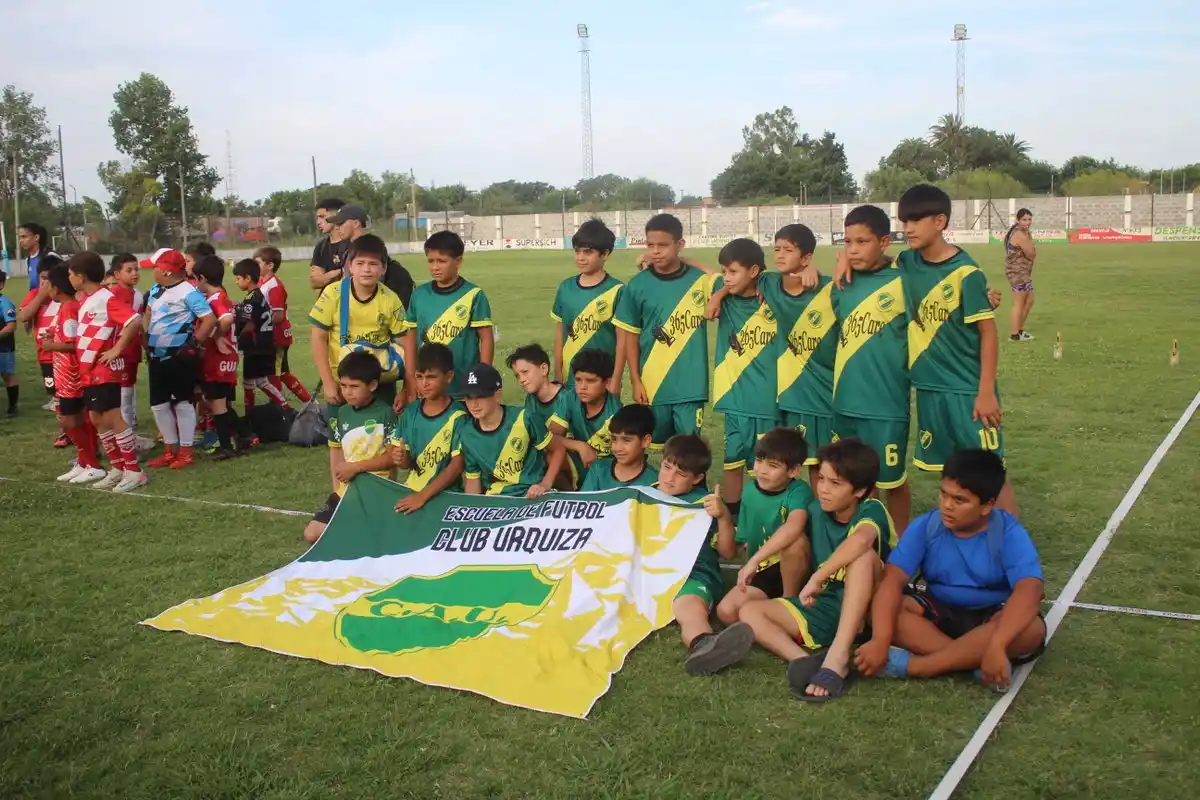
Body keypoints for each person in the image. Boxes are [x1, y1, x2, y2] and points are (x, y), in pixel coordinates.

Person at [855, 449, 1045, 692]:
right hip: (939, 610)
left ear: (987, 506)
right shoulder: (927, 525)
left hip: (991, 615)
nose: (946, 505)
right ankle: (972, 661)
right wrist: (880, 640)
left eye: (959, 500)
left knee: (1032, 630)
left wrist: (998, 645)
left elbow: (1030, 589)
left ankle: (919, 666)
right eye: (943, 494)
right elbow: (892, 579)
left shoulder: (1008, 532)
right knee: (880, 606)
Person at [726, 438, 897, 701]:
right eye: (822, 479)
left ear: (860, 491)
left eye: (836, 483)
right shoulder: (817, 510)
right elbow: (791, 531)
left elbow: (861, 540)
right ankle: (806, 661)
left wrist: (818, 576)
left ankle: (837, 658)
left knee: (862, 558)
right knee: (747, 610)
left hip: (869, 609)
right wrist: (754, 560)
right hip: (826, 604)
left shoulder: (871, 509)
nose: (824, 489)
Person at [894, 184, 1014, 514]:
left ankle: (1014, 552)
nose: (908, 229)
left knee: (990, 472)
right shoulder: (905, 263)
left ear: (940, 221)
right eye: (905, 221)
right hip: (930, 389)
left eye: (916, 221)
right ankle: (963, 539)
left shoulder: (966, 272)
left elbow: (988, 334)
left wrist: (986, 391)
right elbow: (873, 270)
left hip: (968, 391)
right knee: (951, 473)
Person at [830, 205, 913, 531]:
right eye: (847, 242)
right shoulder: (842, 283)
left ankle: (899, 546)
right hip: (844, 401)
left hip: (886, 404)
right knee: (854, 479)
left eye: (862, 242)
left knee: (891, 481)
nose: (853, 250)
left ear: (885, 241)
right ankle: (864, 537)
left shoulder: (905, 281)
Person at [614, 213, 717, 447]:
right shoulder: (638, 284)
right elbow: (630, 336)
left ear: (680, 244)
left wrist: (689, 260)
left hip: (691, 387)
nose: (656, 251)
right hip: (653, 384)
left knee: (689, 449)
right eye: (650, 245)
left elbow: (724, 280)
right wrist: (636, 380)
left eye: (663, 245)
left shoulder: (699, 281)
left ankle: (694, 485)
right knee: (653, 448)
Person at [705, 427, 813, 623]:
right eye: (759, 461)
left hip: (794, 568)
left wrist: (754, 561)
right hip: (763, 570)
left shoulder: (799, 491)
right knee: (726, 612)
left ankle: (790, 604)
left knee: (795, 543)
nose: (762, 470)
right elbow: (736, 548)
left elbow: (793, 527)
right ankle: (769, 612)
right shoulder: (749, 492)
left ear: (794, 471)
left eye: (772, 465)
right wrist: (723, 516)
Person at [658, 434, 742, 676]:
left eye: (680, 474)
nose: (669, 478)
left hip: (693, 577)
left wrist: (724, 517)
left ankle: (704, 644)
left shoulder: (705, 505)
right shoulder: (645, 495)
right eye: (666, 467)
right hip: (649, 574)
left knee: (688, 607)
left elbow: (727, 552)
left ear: (697, 478)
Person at [709, 238, 779, 520]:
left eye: (732, 271)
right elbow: (702, 270)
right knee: (732, 462)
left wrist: (766, 282)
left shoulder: (774, 292)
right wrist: (718, 295)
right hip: (733, 396)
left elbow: (792, 280)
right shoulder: (725, 293)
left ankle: (769, 516)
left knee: (770, 464)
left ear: (753, 272)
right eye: (724, 271)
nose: (726, 278)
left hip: (767, 399)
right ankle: (734, 518)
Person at [68, 251, 148, 492]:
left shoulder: (106, 298)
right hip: (89, 369)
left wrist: (116, 349)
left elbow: (134, 321)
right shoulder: (88, 299)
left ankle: (134, 471)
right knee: (96, 419)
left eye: (71, 274)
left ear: (80, 277)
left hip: (104, 369)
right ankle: (117, 467)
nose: (69, 278)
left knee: (112, 418)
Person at [762, 224, 835, 487]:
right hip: (788, 392)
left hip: (823, 392)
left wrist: (818, 271)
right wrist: (719, 295)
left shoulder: (827, 288)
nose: (779, 255)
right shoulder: (768, 282)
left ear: (805, 258)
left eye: (788, 250)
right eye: (777, 249)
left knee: (822, 466)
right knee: (788, 462)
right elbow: (729, 271)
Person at [303, 352, 399, 544]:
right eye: (344, 386)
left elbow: (392, 459)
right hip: (347, 491)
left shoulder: (385, 414)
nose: (347, 392)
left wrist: (356, 468)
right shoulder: (342, 413)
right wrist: (337, 488)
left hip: (375, 491)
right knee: (311, 534)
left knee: (370, 537)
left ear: (372, 385)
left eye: (354, 387)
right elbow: (337, 450)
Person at [309, 233, 407, 411]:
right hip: (342, 384)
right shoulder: (334, 293)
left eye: (373, 264)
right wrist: (328, 382)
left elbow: (407, 344)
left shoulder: (390, 299)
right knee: (341, 436)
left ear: (383, 268)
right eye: (360, 263)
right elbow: (318, 338)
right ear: (350, 266)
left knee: (380, 436)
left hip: (380, 384)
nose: (366, 269)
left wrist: (407, 388)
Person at [142, 248, 216, 470]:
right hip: (156, 357)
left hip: (178, 359)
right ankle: (169, 450)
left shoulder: (188, 292)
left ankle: (185, 452)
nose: (152, 271)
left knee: (182, 404)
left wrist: (192, 345)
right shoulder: (156, 289)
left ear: (166, 271)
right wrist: (146, 340)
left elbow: (209, 319)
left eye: (154, 267)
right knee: (158, 405)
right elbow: (148, 314)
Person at [401, 230, 493, 401]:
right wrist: (410, 380)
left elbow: (486, 339)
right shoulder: (419, 295)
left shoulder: (474, 294)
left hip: (464, 387)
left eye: (441, 261)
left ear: (458, 261)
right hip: (428, 388)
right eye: (431, 261)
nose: (435, 267)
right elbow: (410, 340)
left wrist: (483, 377)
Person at [454, 363, 565, 498]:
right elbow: (473, 480)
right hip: (497, 499)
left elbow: (558, 449)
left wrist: (545, 484)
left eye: (480, 396)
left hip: (532, 494)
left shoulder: (525, 418)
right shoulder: (467, 434)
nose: (473, 404)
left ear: (497, 395)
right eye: (468, 398)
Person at [39, 263, 103, 483]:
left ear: (56, 288)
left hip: (71, 375)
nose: (45, 288)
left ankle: (91, 463)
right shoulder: (69, 308)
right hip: (67, 374)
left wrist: (50, 346)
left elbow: (74, 343)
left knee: (69, 421)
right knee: (75, 419)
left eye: (47, 284)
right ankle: (84, 461)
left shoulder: (68, 308)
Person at [390, 342, 467, 514]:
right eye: (419, 377)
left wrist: (422, 497)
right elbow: (406, 464)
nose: (424, 384)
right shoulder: (410, 413)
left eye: (431, 377)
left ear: (449, 376)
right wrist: (400, 458)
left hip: (446, 495)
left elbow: (457, 466)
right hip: (411, 491)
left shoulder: (459, 416)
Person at [552, 218, 624, 393]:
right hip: (570, 380)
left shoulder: (618, 290)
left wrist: (615, 379)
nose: (580, 258)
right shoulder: (566, 288)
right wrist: (558, 373)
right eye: (577, 252)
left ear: (605, 254)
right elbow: (560, 333)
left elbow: (623, 341)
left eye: (587, 252)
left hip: (602, 382)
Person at [194, 256, 254, 459]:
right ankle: (245, 436)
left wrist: (218, 336)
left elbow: (226, 319)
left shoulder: (215, 299)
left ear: (202, 278)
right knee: (218, 402)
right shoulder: (223, 296)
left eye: (196, 279)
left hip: (219, 357)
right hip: (225, 356)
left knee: (216, 402)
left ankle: (228, 446)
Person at [507, 343, 574, 487]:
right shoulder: (531, 399)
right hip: (546, 452)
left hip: (568, 458)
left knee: (548, 455)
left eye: (525, 372)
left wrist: (579, 446)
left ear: (544, 368)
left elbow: (551, 438)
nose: (521, 380)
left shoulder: (567, 397)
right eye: (517, 375)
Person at [324, 204, 414, 306]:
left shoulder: (373, 250)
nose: (337, 228)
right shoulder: (347, 251)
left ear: (356, 223)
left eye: (340, 223)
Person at [254, 245, 311, 405]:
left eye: (257, 263)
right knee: (281, 372)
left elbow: (277, 316)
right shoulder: (261, 283)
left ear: (270, 265)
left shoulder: (274, 286)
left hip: (277, 336)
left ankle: (281, 406)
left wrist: (256, 320)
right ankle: (306, 401)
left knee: (275, 373)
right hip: (268, 336)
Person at [106, 253, 152, 448]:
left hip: (131, 352)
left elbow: (139, 324)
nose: (134, 274)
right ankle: (123, 439)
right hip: (117, 352)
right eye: (129, 270)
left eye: (136, 270)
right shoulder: (111, 295)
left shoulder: (139, 295)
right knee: (122, 394)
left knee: (130, 392)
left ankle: (130, 433)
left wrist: (146, 346)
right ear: (117, 274)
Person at [233, 258, 288, 415]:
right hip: (265, 344)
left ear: (248, 278)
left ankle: (250, 415)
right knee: (261, 381)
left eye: (238, 278)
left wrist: (237, 336)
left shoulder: (251, 300)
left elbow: (248, 324)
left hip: (255, 348)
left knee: (249, 383)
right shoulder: (259, 295)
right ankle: (285, 407)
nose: (236, 282)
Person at [17, 257, 65, 424]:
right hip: (45, 353)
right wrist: (41, 296)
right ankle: (58, 406)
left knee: (68, 391)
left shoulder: (65, 295)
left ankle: (66, 422)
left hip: (65, 352)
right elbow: (23, 316)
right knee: (52, 388)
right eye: (42, 278)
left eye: (49, 278)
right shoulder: (34, 295)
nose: (45, 282)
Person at [562, 347, 623, 477]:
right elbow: (549, 438)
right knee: (549, 454)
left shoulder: (616, 413)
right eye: (578, 380)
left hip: (607, 470)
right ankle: (569, 494)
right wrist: (580, 446)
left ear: (607, 382)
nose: (582, 387)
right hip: (578, 460)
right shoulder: (570, 397)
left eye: (590, 381)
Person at [578, 403, 658, 491]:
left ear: (646, 441)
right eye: (614, 439)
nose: (617, 448)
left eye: (627, 440)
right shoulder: (599, 469)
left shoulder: (654, 482)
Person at [1004, 208, 1036, 342]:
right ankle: (1015, 334)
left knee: (1029, 300)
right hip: (1017, 273)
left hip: (1024, 272)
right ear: (1018, 220)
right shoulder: (1020, 235)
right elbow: (1031, 253)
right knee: (1019, 302)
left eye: (1029, 219)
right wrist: (1034, 248)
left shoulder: (1024, 233)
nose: (1027, 222)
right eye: (1024, 220)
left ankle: (1019, 330)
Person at [309, 197, 350, 292]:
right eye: (317, 218)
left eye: (322, 217)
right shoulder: (321, 246)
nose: (318, 222)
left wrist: (325, 277)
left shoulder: (353, 243)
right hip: (328, 304)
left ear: (337, 215)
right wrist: (340, 272)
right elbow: (314, 282)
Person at [0, 270, 19, 417]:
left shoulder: (5, 303)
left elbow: (11, 326)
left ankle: (13, 407)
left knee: (7, 375)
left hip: (4, 347)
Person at [17, 222, 56, 290]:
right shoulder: (28, 260)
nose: (21, 240)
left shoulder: (50, 256)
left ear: (36, 237)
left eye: (24, 237)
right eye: (19, 237)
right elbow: (33, 286)